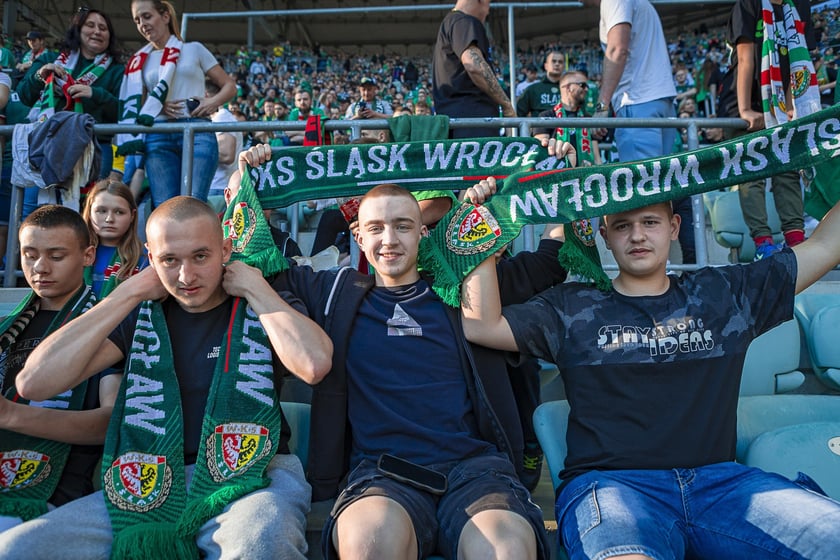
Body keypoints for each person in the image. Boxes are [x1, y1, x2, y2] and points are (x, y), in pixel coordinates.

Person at [460, 180, 840, 560]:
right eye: (623, 226)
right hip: (613, 487)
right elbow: (481, 326)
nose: (637, 235)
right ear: (605, 235)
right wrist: (481, 223)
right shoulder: (569, 308)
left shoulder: (723, 293)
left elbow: (825, 246)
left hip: (721, 485)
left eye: (650, 222)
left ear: (674, 227)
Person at [231, 143, 563, 559]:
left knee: (507, 549)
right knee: (368, 545)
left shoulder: (465, 289)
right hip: (381, 475)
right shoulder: (333, 292)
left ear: (423, 232)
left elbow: (550, 263)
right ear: (358, 236)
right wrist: (245, 180)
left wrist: (561, 172)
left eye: (403, 226)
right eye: (376, 228)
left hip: (475, 472)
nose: (389, 240)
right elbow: (256, 257)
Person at [3, 189, 333, 557]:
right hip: (146, 479)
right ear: (150, 258)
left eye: (200, 256)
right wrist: (128, 292)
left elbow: (314, 365)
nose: (186, 276)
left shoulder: (261, 299)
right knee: (19, 548)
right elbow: (34, 383)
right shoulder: (142, 311)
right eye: (169, 260)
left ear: (225, 250)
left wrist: (257, 287)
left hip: (254, 476)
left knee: (258, 542)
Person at [0, 205, 120, 533]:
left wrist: (11, 415)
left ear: (88, 256)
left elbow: (109, 423)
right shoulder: (7, 327)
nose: (40, 267)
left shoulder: (107, 327)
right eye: (29, 255)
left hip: (53, 495)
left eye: (56, 256)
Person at [117, 0, 236, 206]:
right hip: (158, 134)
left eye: (147, 16)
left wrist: (211, 102)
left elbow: (229, 86)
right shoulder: (140, 60)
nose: (142, 24)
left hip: (197, 129)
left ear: (165, 16)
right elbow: (139, 105)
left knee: (194, 203)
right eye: (137, 20)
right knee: (165, 207)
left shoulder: (194, 49)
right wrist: (158, 105)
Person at [726, 0, 818, 259]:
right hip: (747, 100)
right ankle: (763, 243)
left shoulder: (799, 5)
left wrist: (789, 107)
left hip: (779, 103)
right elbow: (745, 57)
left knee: (787, 168)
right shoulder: (748, 4)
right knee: (752, 172)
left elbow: (798, 61)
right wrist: (745, 109)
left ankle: (796, 240)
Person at [16, 8, 124, 188]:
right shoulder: (50, 59)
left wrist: (95, 94)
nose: (97, 31)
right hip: (45, 146)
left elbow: (123, 112)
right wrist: (40, 77)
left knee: (88, 204)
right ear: (78, 30)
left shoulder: (117, 71)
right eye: (90, 25)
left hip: (94, 149)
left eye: (103, 28)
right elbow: (23, 95)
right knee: (37, 204)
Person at [584, 0, 677, 161]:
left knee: (642, 176)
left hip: (637, 102)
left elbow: (617, 50)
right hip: (660, 101)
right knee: (663, 175)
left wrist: (601, 106)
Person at [432, 0, 516, 138]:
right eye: (488, 4)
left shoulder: (451, 22)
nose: (488, 12)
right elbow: (473, 65)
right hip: (472, 122)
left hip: (458, 121)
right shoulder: (463, 21)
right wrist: (506, 105)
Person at [81, 180, 147, 298]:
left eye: (119, 212)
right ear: (90, 213)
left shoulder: (144, 260)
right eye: (102, 211)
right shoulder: (76, 255)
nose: (109, 219)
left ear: (132, 215)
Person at [205, 79, 243, 198]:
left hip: (217, 187)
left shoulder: (222, 118)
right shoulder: (219, 117)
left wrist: (194, 150)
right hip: (217, 186)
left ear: (205, 94)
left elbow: (227, 155)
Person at [516, 50, 565, 117]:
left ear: (564, 66)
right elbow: (518, 114)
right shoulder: (533, 89)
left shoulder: (569, 90)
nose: (557, 64)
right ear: (546, 66)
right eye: (553, 61)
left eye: (560, 62)